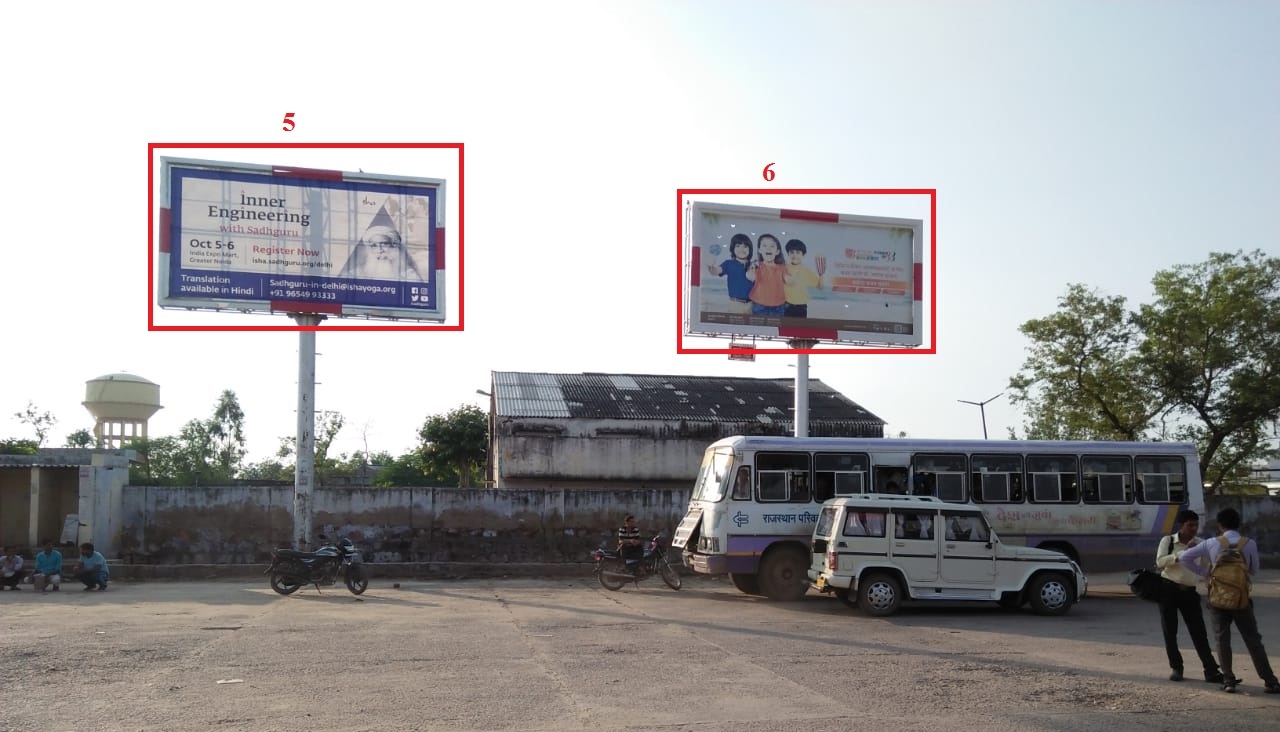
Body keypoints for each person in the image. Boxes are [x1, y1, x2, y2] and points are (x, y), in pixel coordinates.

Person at [1179, 507, 1280, 693]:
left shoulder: (1211, 543)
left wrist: (1206, 574)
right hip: (1241, 599)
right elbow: (1254, 570)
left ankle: (1228, 681)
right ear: (1238, 524)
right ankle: (1270, 680)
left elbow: (1184, 558)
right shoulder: (1249, 543)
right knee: (1253, 639)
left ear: (1220, 525)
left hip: (1218, 598)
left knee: (1222, 639)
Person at [1155, 510, 1222, 683]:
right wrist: (1184, 552)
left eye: (1196, 525)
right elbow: (1160, 562)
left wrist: (1210, 586)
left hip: (1190, 592)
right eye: (1190, 525)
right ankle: (1176, 668)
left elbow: (1206, 568)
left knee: (1199, 632)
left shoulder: (1201, 544)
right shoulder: (1168, 541)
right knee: (1170, 631)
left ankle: (1211, 670)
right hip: (1168, 589)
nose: (1193, 528)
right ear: (1181, 525)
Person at [337, 208, 426, 281]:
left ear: (394, 246)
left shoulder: (410, 276)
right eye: (374, 246)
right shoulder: (355, 274)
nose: (379, 250)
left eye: (384, 244)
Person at [705, 234, 755, 315]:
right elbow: (716, 271)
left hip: (752, 304)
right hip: (735, 304)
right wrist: (711, 267)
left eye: (745, 246)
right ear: (733, 248)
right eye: (738, 246)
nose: (741, 249)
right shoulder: (728, 264)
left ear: (750, 249)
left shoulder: (754, 265)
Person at [746, 234, 787, 316]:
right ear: (760, 250)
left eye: (772, 246)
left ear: (777, 251)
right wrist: (751, 274)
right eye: (764, 246)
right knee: (759, 324)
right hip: (759, 304)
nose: (768, 248)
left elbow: (788, 279)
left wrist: (790, 279)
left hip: (778, 306)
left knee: (776, 324)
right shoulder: (756, 264)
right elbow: (750, 276)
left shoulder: (782, 268)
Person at [782, 239, 823, 318]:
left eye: (798, 252)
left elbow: (820, 287)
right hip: (787, 306)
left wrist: (821, 275)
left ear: (803, 254)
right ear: (788, 254)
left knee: (800, 326)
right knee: (786, 326)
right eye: (792, 252)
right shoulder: (784, 269)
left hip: (801, 307)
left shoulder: (806, 271)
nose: (794, 255)